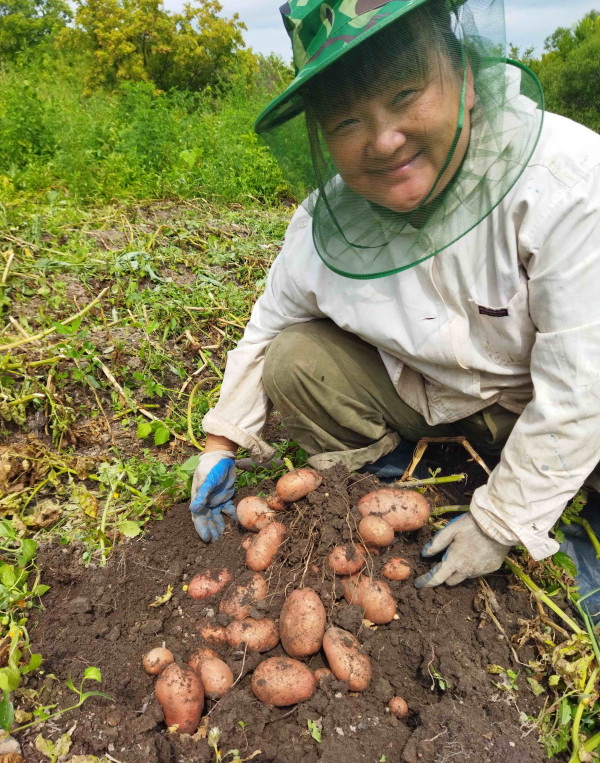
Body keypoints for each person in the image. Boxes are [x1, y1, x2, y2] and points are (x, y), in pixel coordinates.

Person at [190, 0, 600, 591]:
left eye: (406, 95)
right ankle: (408, 480)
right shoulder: (323, 226)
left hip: (564, 395)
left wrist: (501, 520)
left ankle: (568, 527)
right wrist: (218, 443)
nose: (383, 141)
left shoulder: (566, 180)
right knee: (295, 360)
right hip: (447, 402)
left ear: (464, 78)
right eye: (347, 123)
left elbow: (579, 386)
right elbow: (267, 325)